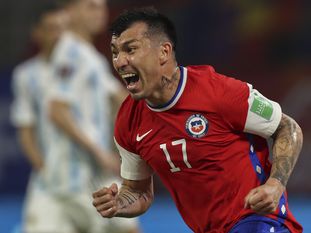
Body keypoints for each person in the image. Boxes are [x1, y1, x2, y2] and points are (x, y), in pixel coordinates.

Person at [92, 7, 304, 233]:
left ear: (164, 52)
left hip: (259, 221)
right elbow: (138, 191)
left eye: (130, 49)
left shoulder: (219, 92)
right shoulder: (128, 121)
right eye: (115, 52)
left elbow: (287, 127)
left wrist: (275, 184)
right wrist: (119, 203)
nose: (120, 61)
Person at [11, 1, 141, 233]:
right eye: (90, 7)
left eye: (101, 7)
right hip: (68, 178)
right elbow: (57, 110)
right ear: (71, 11)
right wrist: (101, 152)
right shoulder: (70, 53)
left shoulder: (88, 55)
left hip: (92, 173)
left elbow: (119, 100)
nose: (100, 13)